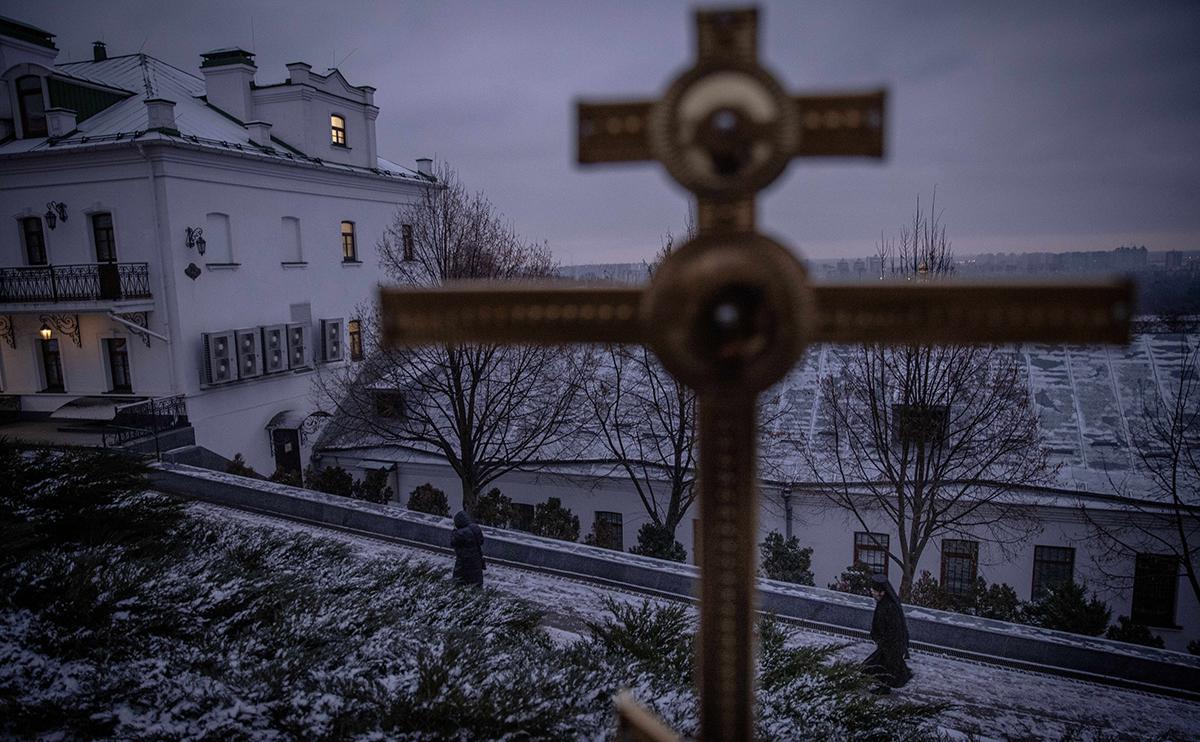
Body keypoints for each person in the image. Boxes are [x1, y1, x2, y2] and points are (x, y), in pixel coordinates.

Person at [862, 572, 912, 693]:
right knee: (883, 666)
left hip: (890, 644)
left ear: (882, 592)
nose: (872, 593)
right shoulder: (887, 604)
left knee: (879, 666)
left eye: (874, 590)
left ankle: (884, 687)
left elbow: (892, 628)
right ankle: (884, 685)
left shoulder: (888, 607)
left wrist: (883, 640)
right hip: (887, 644)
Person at [451, 510, 485, 587]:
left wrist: (454, 530)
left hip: (463, 561)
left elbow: (453, 542)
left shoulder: (459, 533)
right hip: (477, 559)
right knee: (476, 581)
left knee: (458, 580)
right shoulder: (476, 528)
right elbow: (481, 541)